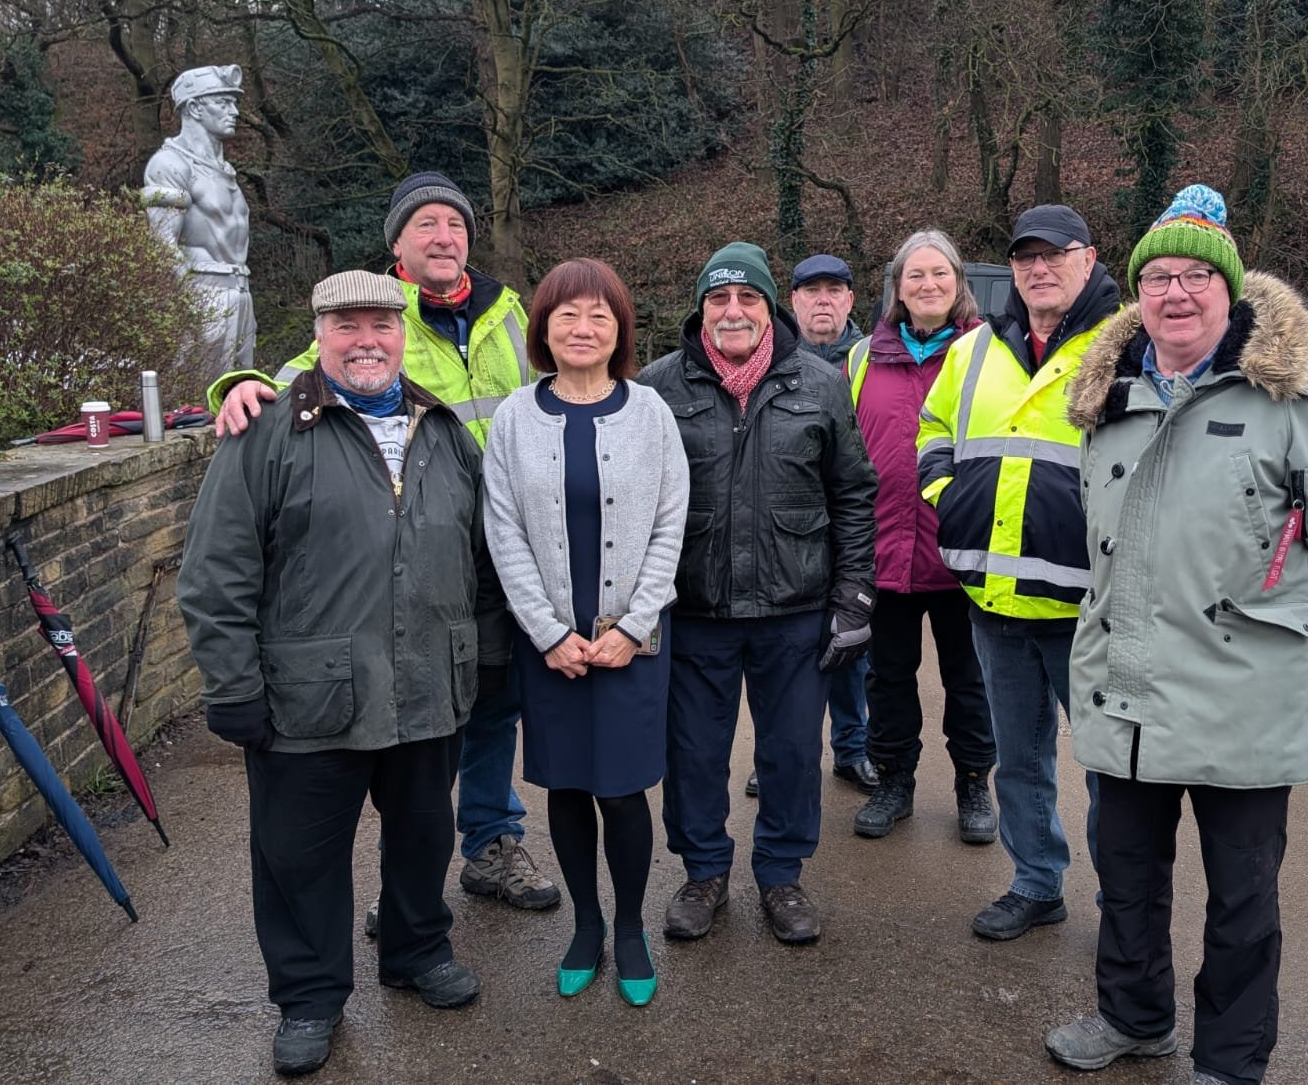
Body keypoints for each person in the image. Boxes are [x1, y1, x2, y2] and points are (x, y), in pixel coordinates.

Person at [1044, 185, 1308, 1083]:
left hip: (1247, 698)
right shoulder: (1106, 402)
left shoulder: (1299, 402)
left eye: (1198, 276)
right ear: (1136, 293)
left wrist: (1281, 638)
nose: (1175, 293)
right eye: (1157, 276)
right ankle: (1134, 1015)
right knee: (1125, 875)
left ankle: (1231, 1062)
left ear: (1231, 293)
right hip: (1127, 690)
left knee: (1243, 898)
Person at [178, 270, 510, 1076]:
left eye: (382, 326)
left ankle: (415, 950)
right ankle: (309, 995)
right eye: (348, 326)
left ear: (404, 334)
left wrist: (489, 660)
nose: (368, 341)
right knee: (298, 855)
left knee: (424, 836)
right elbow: (216, 573)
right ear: (318, 336)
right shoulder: (264, 430)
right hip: (307, 693)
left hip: (430, 684)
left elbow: (480, 559)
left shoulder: (441, 432)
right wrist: (232, 686)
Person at [207, 172, 560, 930]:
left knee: (485, 711)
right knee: (396, 729)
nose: (443, 236)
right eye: (426, 224)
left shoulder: (507, 313)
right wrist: (237, 384)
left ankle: (489, 844)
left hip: (497, 544)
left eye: (455, 224)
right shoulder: (374, 314)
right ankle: (406, 895)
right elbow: (302, 380)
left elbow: (558, 392)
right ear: (397, 243)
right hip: (404, 538)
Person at [639, 242, 878, 945]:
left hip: (795, 608)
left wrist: (854, 594)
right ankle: (704, 871)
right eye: (719, 298)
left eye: (747, 298)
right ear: (701, 309)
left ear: (770, 307)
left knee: (792, 752)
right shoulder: (659, 387)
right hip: (698, 610)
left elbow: (854, 492)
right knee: (695, 753)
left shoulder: (819, 382)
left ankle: (781, 875)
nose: (733, 311)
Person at [483, 258, 688, 1008]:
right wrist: (544, 631)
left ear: (620, 330)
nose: (582, 327)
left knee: (624, 791)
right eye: (567, 314)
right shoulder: (513, 417)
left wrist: (635, 626)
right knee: (566, 786)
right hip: (553, 651)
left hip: (631, 646)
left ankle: (630, 928)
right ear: (542, 327)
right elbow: (502, 530)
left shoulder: (650, 414)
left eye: (599, 314)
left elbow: (672, 524)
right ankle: (587, 924)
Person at [917, 204, 1118, 941]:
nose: (1038, 268)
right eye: (1025, 257)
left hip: (1086, 604)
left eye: (1054, 254)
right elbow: (934, 428)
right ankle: (1037, 883)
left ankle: (1120, 907)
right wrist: (950, 496)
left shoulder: (1124, 347)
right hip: (994, 598)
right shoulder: (975, 350)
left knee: (1109, 773)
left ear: (1087, 259)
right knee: (1018, 761)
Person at [844, 231, 996, 844]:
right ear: (896, 288)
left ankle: (973, 785)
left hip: (963, 551)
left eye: (939, 274)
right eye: (915, 276)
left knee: (970, 678)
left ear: (958, 283)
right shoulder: (862, 359)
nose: (927, 285)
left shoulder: (988, 355)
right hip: (884, 553)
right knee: (888, 678)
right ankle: (893, 782)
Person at [775, 251, 875, 796]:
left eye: (834, 290)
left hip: (852, 524)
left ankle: (853, 748)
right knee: (790, 654)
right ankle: (783, 750)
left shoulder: (869, 359)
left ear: (850, 300)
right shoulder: (772, 358)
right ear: (793, 301)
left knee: (852, 645)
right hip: (789, 528)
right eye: (812, 291)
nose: (823, 300)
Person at [142, 64, 255, 374]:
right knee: (197, 400)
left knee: (243, 396)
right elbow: (162, 245)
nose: (234, 111)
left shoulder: (226, 169)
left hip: (241, 291)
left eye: (234, 102)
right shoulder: (170, 163)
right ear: (193, 108)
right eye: (223, 102)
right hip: (201, 294)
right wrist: (187, 306)